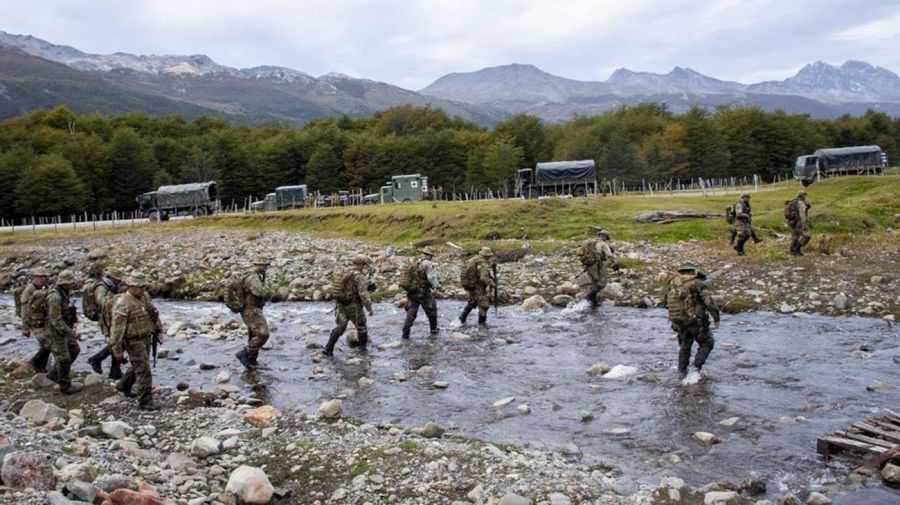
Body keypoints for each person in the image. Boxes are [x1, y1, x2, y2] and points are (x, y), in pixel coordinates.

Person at [110, 273, 164, 411]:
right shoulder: (123, 303)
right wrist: (117, 349)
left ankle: (124, 384)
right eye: (139, 287)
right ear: (131, 286)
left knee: (138, 365)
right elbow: (117, 329)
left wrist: (158, 331)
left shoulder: (144, 297)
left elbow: (153, 314)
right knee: (144, 370)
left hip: (146, 336)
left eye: (143, 286)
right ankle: (145, 401)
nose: (142, 289)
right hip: (133, 340)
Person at [664, 262, 720, 379]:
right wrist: (716, 317)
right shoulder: (696, 283)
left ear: (680, 272)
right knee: (707, 343)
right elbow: (708, 301)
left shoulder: (672, 284)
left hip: (678, 321)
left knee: (685, 346)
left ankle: (681, 372)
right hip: (696, 321)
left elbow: (665, 302)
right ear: (693, 272)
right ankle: (695, 369)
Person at [324, 255, 374, 356]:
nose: (364, 267)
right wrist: (369, 308)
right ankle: (362, 350)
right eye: (364, 265)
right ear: (361, 264)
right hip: (354, 306)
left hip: (342, 304)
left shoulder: (344, 272)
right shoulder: (358, 276)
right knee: (362, 326)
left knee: (340, 327)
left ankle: (328, 349)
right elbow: (363, 293)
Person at [45, 270, 83, 394]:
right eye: (70, 283)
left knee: (75, 350)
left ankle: (55, 373)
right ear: (64, 284)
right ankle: (65, 386)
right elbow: (56, 320)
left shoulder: (64, 292)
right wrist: (71, 333)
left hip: (65, 328)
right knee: (64, 358)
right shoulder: (55, 297)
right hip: (56, 331)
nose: (73, 285)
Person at [86, 269, 126, 379]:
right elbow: (101, 301)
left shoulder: (111, 286)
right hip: (106, 318)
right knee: (116, 341)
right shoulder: (101, 287)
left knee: (119, 341)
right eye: (118, 279)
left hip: (112, 316)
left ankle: (114, 369)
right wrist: (118, 298)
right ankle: (98, 360)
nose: (119, 281)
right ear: (112, 277)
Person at [235, 257, 271, 370]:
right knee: (263, 334)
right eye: (265, 265)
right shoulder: (253, 278)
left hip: (249, 310)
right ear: (259, 265)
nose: (266, 267)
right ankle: (244, 353)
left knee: (254, 335)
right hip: (252, 310)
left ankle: (251, 360)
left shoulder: (250, 275)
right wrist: (267, 287)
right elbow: (260, 292)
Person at [401, 246, 441, 339]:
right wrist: (438, 287)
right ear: (430, 255)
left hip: (412, 291)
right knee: (432, 310)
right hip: (423, 293)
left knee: (411, 313)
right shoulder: (427, 263)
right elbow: (432, 278)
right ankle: (433, 330)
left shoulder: (414, 261)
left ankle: (405, 334)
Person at [19, 267, 52, 373]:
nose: (43, 279)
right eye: (41, 277)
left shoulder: (44, 288)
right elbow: (24, 310)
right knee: (48, 344)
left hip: (43, 321)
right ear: (35, 277)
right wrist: (25, 327)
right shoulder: (29, 290)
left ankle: (42, 366)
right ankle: (37, 363)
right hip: (34, 322)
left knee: (47, 344)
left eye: (45, 277)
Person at [578, 228, 619, 308]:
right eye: (606, 238)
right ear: (605, 237)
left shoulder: (588, 242)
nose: (606, 239)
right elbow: (609, 255)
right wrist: (615, 265)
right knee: (602, 283)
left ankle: (593, 304)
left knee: (594, 283)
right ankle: (588, 297)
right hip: (596, 265)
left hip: (587, 264)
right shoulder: (603, 244)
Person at [458, 247, 495, 326]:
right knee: (484, 305)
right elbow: (483, 278)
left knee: (473, 300)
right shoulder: (483, 263)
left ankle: (461, 319)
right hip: (477, 286)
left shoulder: (474, 259)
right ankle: (482, 325)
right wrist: (491, 283)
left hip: (471, 285)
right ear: (487, 256)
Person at [787, 190, 811, 256]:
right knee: (807, 235)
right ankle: (797, 248)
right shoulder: (800, 203)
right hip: (799, 222)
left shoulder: (793, 201)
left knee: (795, 236)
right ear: (803, 195)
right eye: (804, 195)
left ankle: (792, 251)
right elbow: (802, 213)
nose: (805, 196)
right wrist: (804, 222)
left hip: (792, 222)